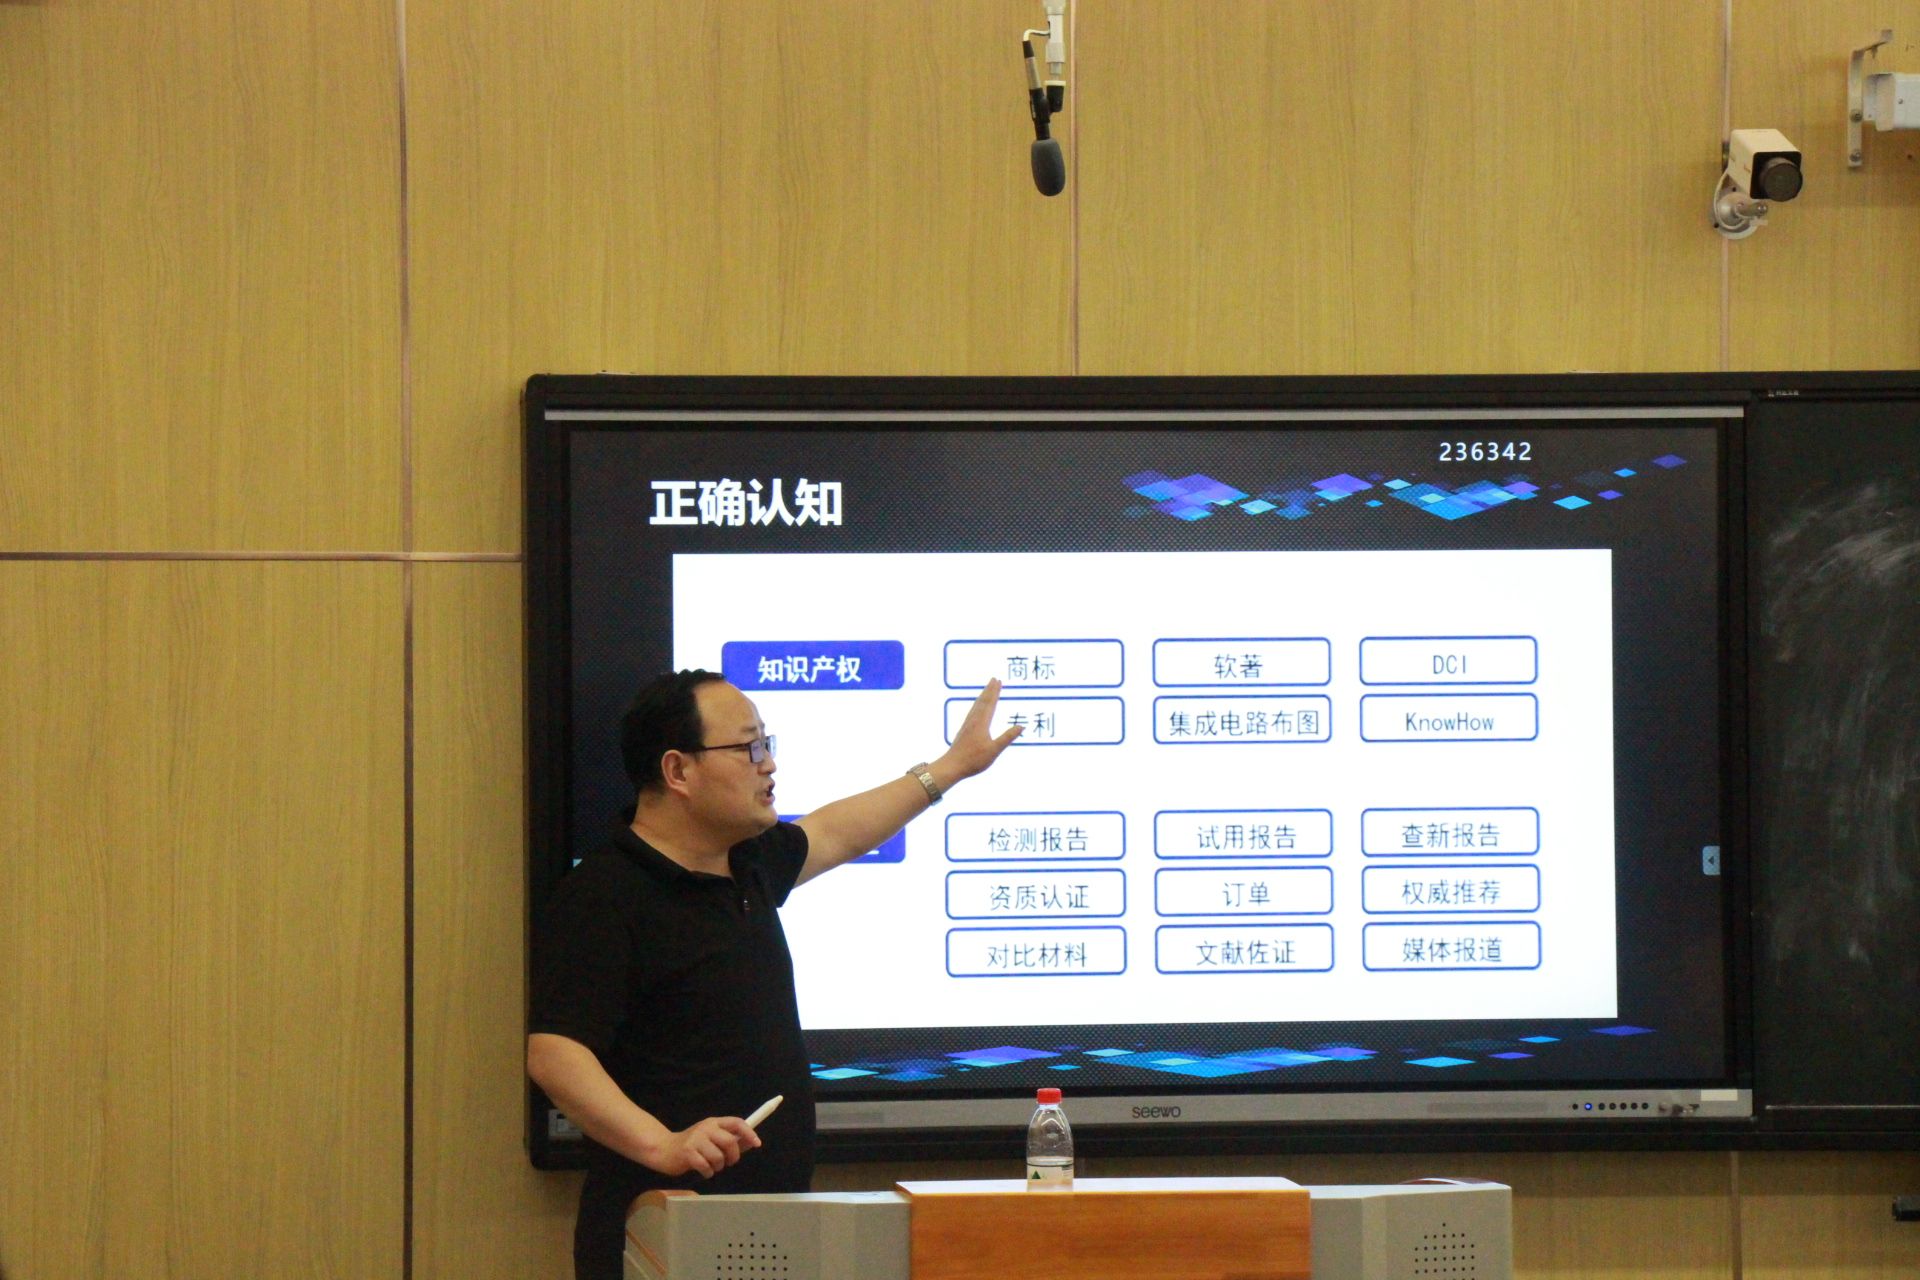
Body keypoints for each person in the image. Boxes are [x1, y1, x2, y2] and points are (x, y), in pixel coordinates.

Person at [527, 669, 1021, 1280]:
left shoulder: (746, 864)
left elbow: (837, 831)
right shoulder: (605, 893)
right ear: (678, 771)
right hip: (661, 1228)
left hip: (766, 1223)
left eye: (767, 744)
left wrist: (951, 768)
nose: (769, 764)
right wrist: (664, 1143)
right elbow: (556, 1054)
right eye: (748, 747)